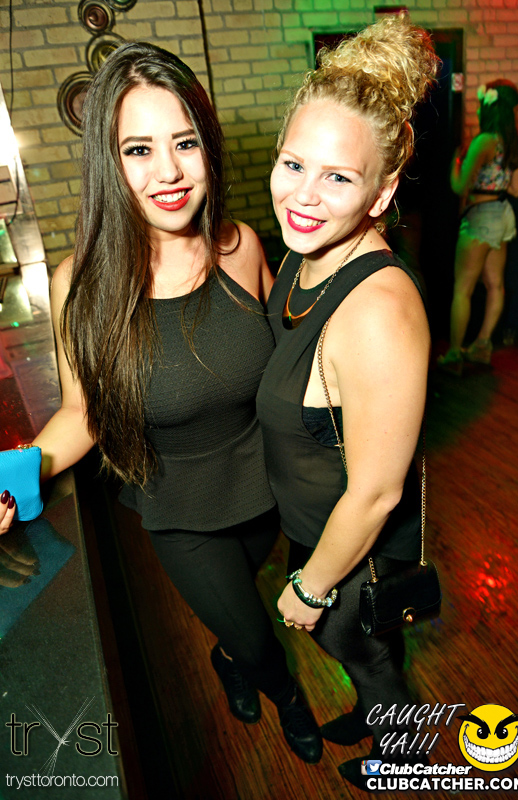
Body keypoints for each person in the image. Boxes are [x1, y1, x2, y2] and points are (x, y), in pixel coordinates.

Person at [0, 42, 322, 764]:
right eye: (138, 149)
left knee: (237, 610)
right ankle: (287, 695)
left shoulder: (240, 247)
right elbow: (83, 413)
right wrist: (12, 476)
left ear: (209, 146)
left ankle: (232, 657)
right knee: (255, 632)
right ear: (108, 163)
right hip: (180, 508)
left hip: (267, 488)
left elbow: (285, 368)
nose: (169, 171)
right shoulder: (80, 285)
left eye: (185, 142)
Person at [256, 15, 439, 791]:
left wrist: (308, 587)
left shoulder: (377, 311)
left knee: (359, 646)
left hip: (355, 541)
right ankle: (374, 712)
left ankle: (408, 756)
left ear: (383, 190)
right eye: (294, 163)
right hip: (315, 523)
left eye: (337, 178)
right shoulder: (306, 254)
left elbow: (375, 492)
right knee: (360, 649)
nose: (303, 195)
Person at [438, 80, 518, 374]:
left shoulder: (484, 141)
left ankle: (453, 354)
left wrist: (455, 162)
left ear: (488, 108)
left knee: (462, 289)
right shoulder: (513, 142)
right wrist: (496, 180)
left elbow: (459, 186)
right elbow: (517, 189)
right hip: (502, 215)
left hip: (480, 219)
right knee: (495, 285)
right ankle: (482, 346)